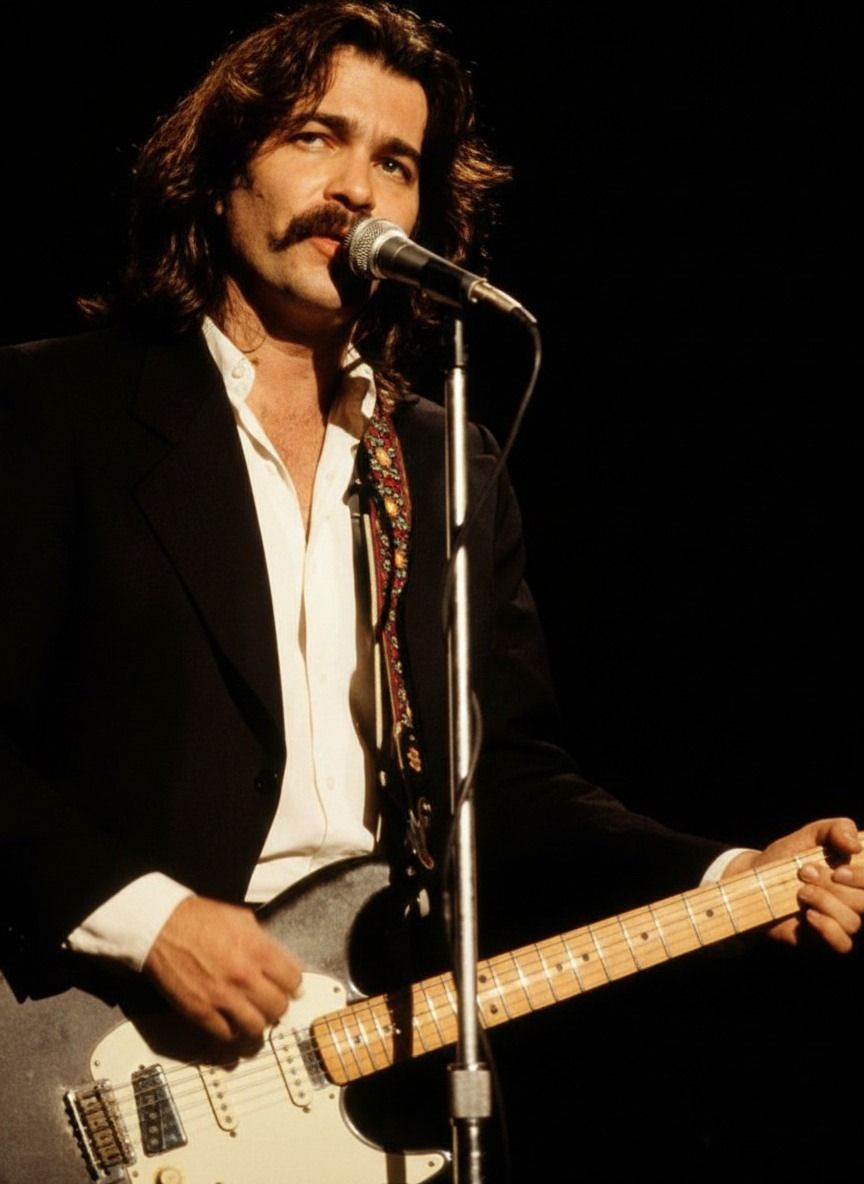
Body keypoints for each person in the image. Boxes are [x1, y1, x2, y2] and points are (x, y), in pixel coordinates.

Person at [1, 1, 861, 1175]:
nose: (355, 187)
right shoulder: (52, 413)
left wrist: (724, 874)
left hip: (359, 1087)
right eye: (316, 136)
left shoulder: (445, 460)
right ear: (221, 173)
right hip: (90, 1050)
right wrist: (147, 916)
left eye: (395, 162)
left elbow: (503, 783)